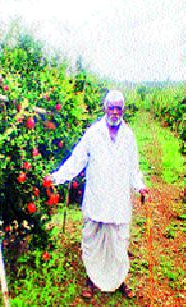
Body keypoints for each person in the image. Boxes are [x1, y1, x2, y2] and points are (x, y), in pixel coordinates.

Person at [47, 90, 148, 299]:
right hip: (97, 198)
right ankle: (92, 279)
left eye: (118, 108)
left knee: (119, 243)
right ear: (104, 108)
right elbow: (77, 160)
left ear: (123, 110)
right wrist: (57, 178)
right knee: (92, 241)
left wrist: (140, 186)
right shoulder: (93, 133)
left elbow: (133, 168)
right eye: (111, 107)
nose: (114, 111)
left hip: (118, 200)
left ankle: (119, 280)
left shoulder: (128, 136)